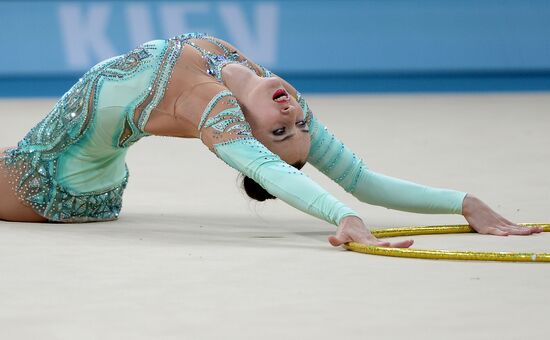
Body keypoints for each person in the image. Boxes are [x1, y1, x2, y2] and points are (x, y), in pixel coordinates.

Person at [0, 33, 542, 248]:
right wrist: (464, 203)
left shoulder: (209, 104)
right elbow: (363, 179)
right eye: (297, 126)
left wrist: (342, 219)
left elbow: (275, 172)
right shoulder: (259, 80)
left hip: (45, 182)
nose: (292, 115)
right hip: (94, 175)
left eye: (280, 131)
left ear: (240, 127)